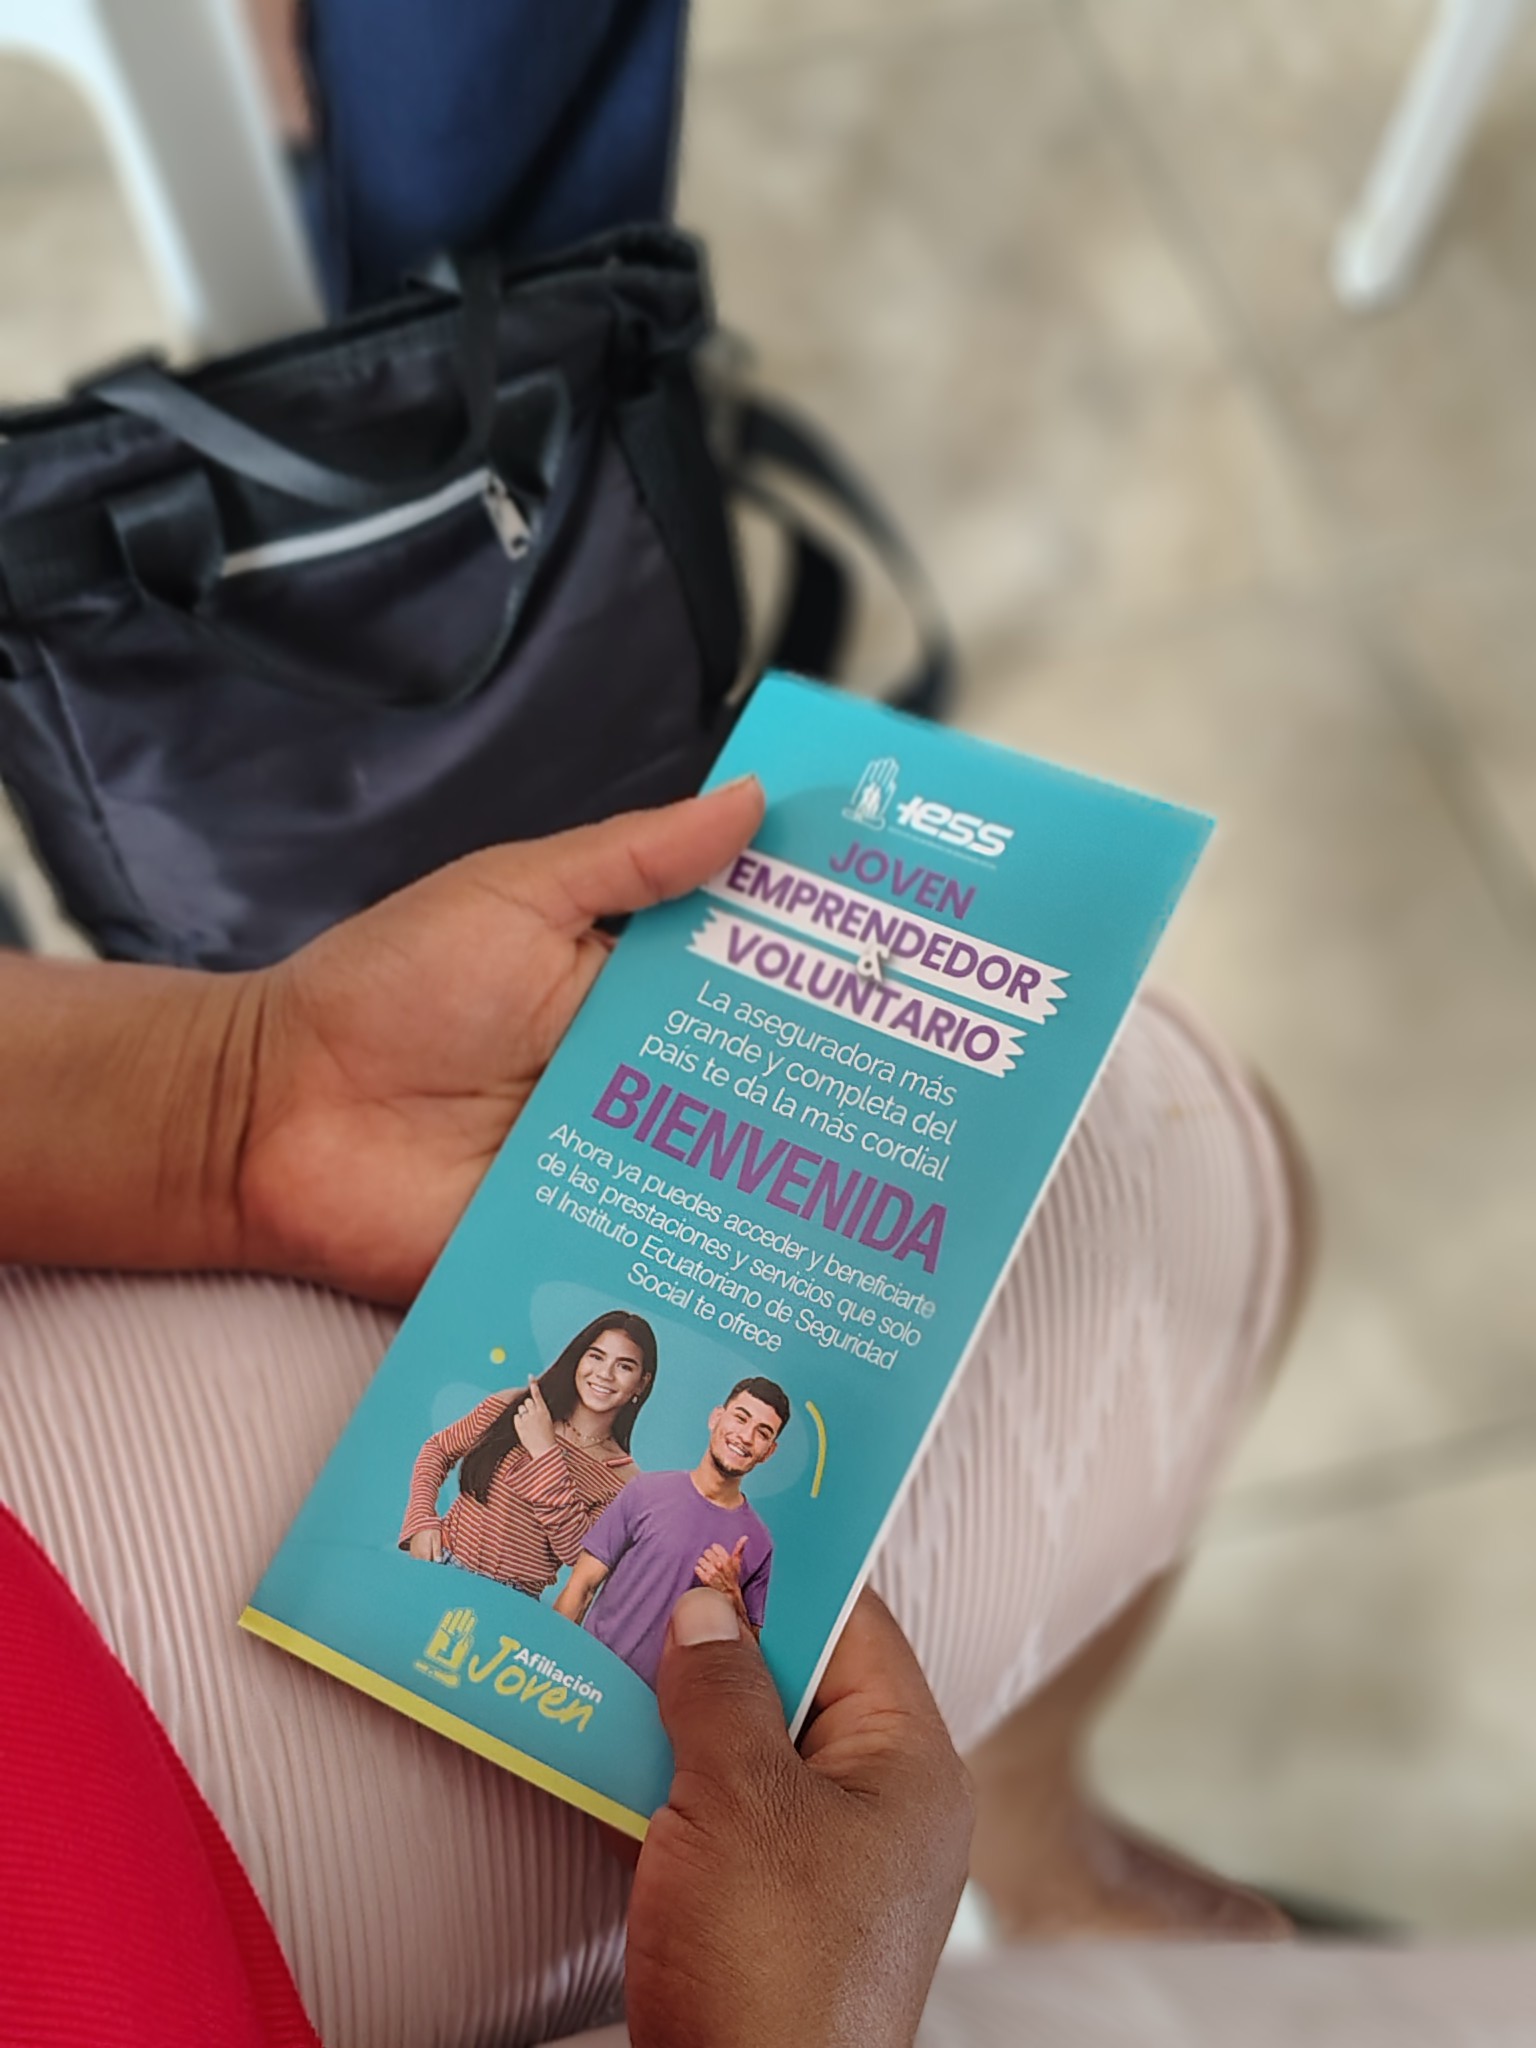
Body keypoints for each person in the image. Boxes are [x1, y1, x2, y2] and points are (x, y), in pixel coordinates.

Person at [0, 777, 1305, 2047]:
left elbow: (560, 1555)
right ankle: (1034, 1833)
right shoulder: (572, 1447)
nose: (622, 1380)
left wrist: (238, 1096)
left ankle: (1030, 1812)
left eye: (638, 1373)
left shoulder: (632, 1477)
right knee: (1193, 1182)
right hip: (156, 1884)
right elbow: (511, 1519)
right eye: (614, 1364)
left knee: (1171, 1164)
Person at [399, 1310, 656, 1598]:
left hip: (512, 1602)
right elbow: (437, 1450)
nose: (604, 1374)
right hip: (440, 1564)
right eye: (596, 1356)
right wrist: (421, 1521)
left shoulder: (625, 1480)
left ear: (641, 1383)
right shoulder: (518, 1406)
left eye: (624, 1366)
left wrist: (545, 1453)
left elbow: (576, 1552)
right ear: (578, 1358)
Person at [555, 1376, 786, 1685]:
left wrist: (731, 1596)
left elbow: (744, 1662)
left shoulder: (758, 1543)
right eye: (740, 1418)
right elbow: (581, 1586)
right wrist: (550, 1663)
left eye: (762, 1433)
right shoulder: (644, 1491)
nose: (745, 1436)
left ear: (769, 1452)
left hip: (661, 1706)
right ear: (716, 1418)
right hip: (585, 1681)